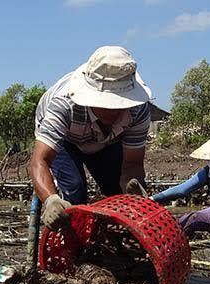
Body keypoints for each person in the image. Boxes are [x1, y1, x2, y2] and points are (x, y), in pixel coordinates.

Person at [30, 46, 153, 229]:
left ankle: (110, 238)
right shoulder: (64, 106)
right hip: (66, 138)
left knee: (116, 192)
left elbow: (132, 164)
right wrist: (51, 200)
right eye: (106, 104)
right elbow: (40, 160)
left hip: (109, 140)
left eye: (120, 104)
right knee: (74, 191)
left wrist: (132, 189)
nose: (113, 111)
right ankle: (73, 241)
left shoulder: (138, 111)